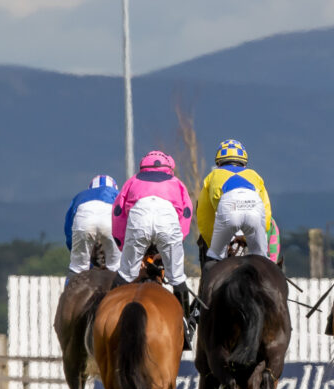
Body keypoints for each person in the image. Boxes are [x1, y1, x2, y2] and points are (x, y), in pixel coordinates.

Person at [111, 150, 194, 349]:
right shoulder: (177, 183)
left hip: (139, 219)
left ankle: (108, 317)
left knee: (125, 274)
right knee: (177, 278)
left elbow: (118, 213)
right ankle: (184, 326)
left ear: (143, 167)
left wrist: (123, 246)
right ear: (169, 168)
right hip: (168, 222)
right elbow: (186, 214)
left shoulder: (132, 181)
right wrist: (173, 246)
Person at [196, 139, 272, 267]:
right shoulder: (255, 176)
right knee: (263, 262)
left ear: (218, 163)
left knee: (213, 261)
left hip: (228, 215)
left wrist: (213, 245)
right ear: (244, 164)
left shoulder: (212, 176)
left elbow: (204, 216)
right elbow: (266, 212)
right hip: (254, 216)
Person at [64, 175, 121, 284]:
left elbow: (69, 230)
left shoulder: (80, 196)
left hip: (84, 222)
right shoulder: (118, 194)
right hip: (109, 223)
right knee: (116, 268)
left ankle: (67, 294)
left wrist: (76, 251)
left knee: (77, 268)